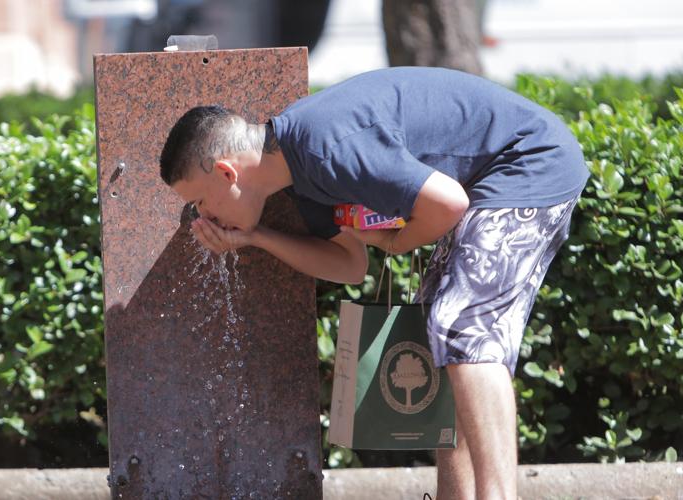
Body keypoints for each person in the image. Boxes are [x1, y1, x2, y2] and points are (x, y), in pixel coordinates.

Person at [158, 66, 589, 500]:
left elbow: (448, 203)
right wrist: (256, 237)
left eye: (199, 201)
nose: (202, 217)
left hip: (530, 163)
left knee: (463, 325)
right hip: (492, 181)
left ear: (227, 173)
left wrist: (399, 242)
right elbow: (349, 264)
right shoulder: (301, 172)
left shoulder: (324, 146)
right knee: (440, 330)